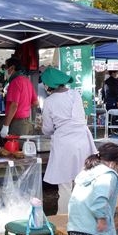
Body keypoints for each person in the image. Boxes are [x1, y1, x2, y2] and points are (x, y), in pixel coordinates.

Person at [40, 67, 97, 215]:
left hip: (64, 143)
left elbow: (47, 128)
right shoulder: (75, 94)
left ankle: (64, 221)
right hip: (82, 140)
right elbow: (79, 118)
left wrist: (50, 129)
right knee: (82, 179)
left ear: (48, 85)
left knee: (65, 186)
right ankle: (83, 216)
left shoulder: (49, 101)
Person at [0, 56, 38, 137]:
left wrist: (6, 126)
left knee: (16, 148)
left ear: (12, 68)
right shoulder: (27, 80)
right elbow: (35, 102)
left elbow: (14, 105)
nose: (5, 70)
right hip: (27, 122)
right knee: (24, 148)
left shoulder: (15, 82)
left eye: (6, 67)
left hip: (17, 123)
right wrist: (24, 108)